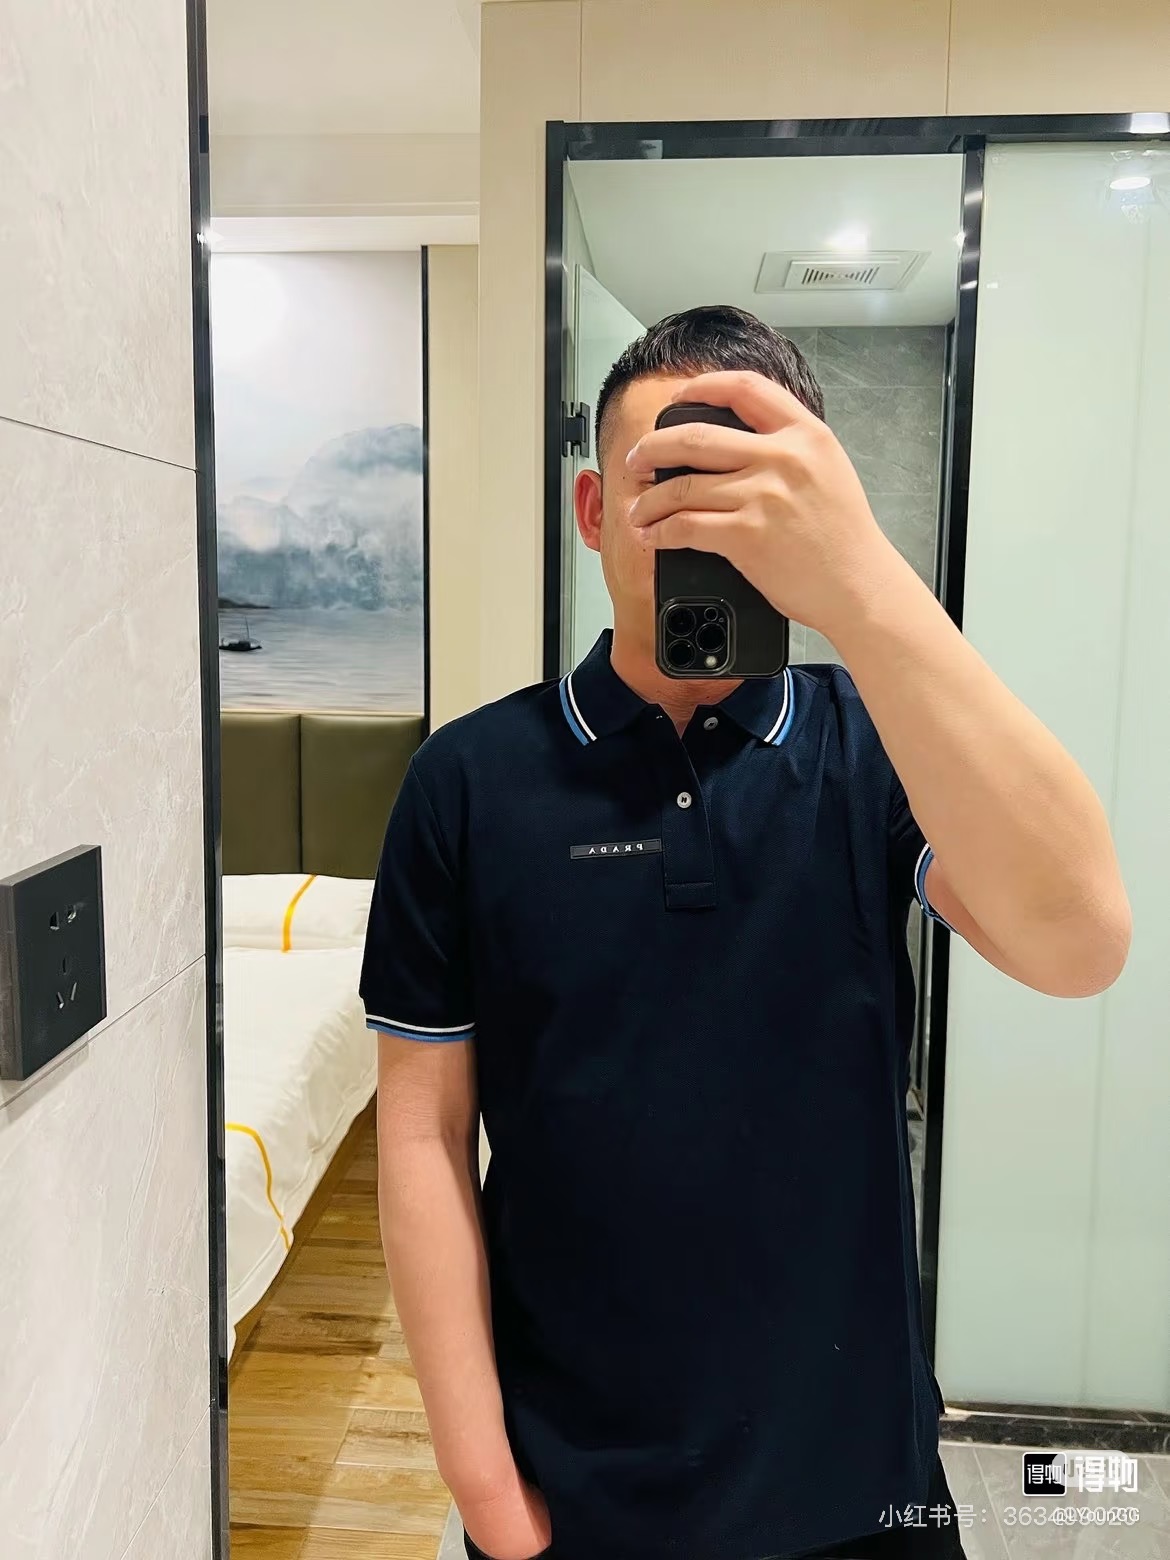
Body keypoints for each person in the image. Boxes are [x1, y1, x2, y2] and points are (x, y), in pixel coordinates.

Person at [359, 306, 1131, 1560]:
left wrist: (861, 581)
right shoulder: (468, 780)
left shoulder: (872, 746)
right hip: (576, 1486)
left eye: (747, 488)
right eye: (671, 482)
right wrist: (485, 1489)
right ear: (595, 511)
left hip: (861, 1482)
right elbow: (422, 1131)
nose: (704, 525)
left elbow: (1079, 942)